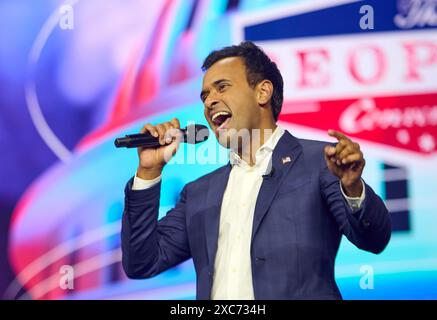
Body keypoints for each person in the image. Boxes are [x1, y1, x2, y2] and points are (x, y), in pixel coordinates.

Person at [121, 41, 391, 300]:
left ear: (263, 92)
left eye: (222, 87)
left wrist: (353, 189)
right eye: (205, 95)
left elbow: (374, 238)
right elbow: (141, 262)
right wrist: (148, 172)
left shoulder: (320, 162)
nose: (209, 102)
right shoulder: (199, 193)